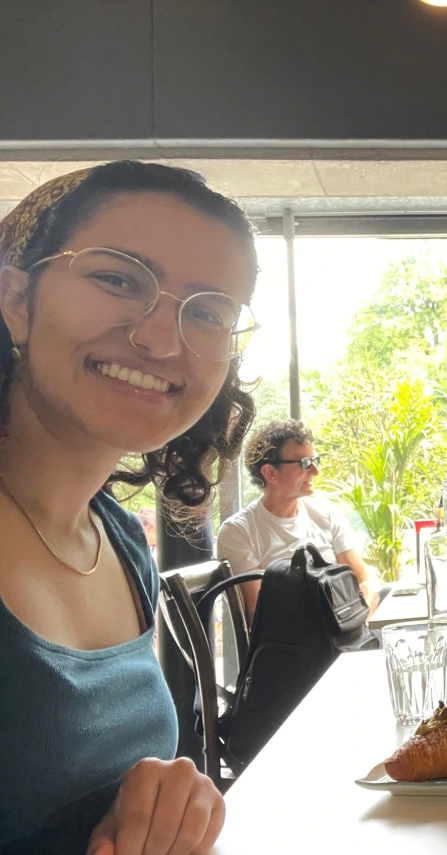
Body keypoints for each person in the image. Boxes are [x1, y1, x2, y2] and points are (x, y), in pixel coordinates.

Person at [0, 163, 259, 853]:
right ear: (15, 297)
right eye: (118, 278)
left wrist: (174, 806)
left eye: (207, 310)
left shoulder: (117, 540)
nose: (161, 338)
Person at [216, 419, 380, 618]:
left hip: (343, 636)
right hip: (289, 647)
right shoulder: (238, 532)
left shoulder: (327, 514)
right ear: (270, 472)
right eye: (304, 463)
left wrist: (355, 623)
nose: (315, 471)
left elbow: (365, 580)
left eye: (315, 460)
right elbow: (259, 614)